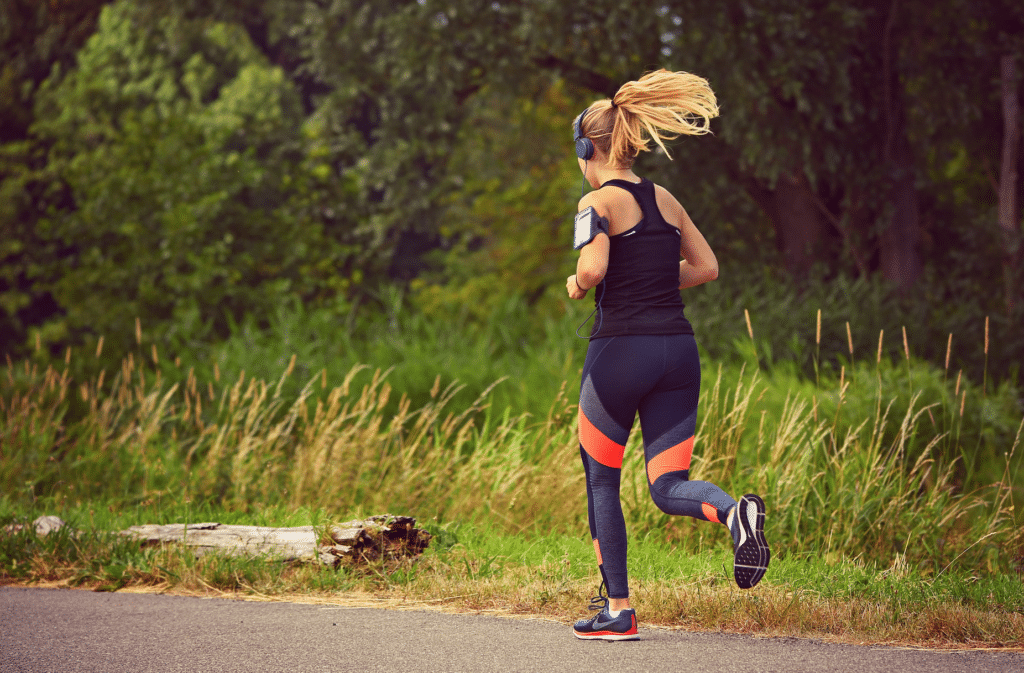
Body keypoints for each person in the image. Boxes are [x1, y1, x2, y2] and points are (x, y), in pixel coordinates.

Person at [565, 69, 770, 641]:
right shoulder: (666, 198)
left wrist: (579, 285)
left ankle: (620, 609)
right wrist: (651, 277)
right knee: (667, 485)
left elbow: (595, 267)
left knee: (602, 480)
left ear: (588, 148)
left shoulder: (595, 201)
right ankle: (734, 513)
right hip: (678, 354)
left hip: (619, 356)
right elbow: (707, 267)